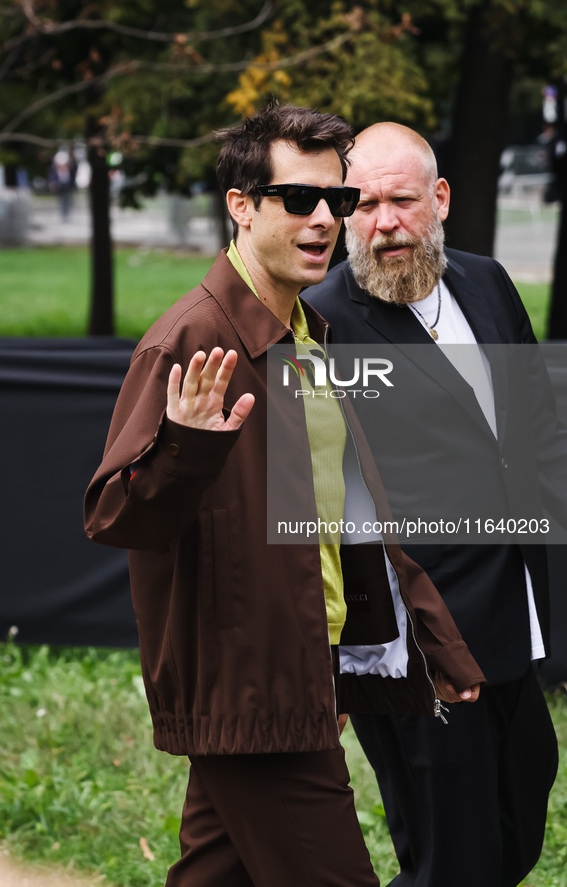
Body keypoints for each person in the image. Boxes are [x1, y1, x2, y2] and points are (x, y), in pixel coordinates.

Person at [83, 105, 483, 887]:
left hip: (298, 669)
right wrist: (188, 446)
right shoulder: (190, 339)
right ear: (241, 205)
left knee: (214, 872)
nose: (323, 220)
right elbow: (114, 516)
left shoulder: (303, 330)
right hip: (250, 686)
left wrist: (431, 632)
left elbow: (351, 512)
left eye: (335, 201)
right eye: (297, 199)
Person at [307, 121, 562, 887]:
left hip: (510, 611)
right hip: (414, 640)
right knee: (453, 852)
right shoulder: (320, 322)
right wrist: (341, 661)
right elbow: (319, 504)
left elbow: (533, 430)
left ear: (440, 199)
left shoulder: (485, 281)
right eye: (363, 203)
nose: (383, 222)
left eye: (402, 201)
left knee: (519, 816)